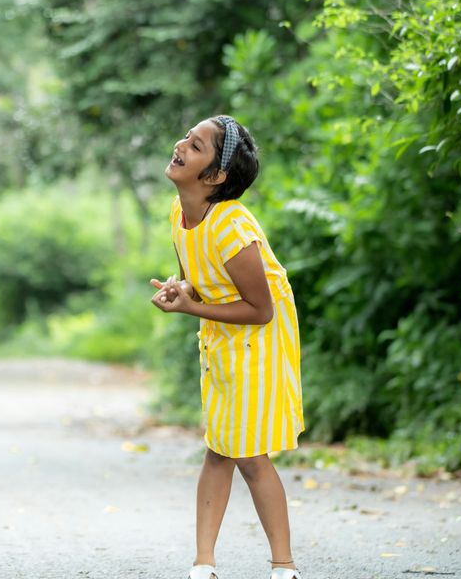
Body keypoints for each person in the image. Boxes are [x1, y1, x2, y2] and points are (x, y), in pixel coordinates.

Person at [149, 115, 304, 579]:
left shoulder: (232, 226)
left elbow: (261, 309)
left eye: (195, 147)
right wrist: (183, 290)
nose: (180, 145)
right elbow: (204, 281)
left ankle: (285, 565)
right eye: (186, 138)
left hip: (259, 343)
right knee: (219, 448)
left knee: (250, 454)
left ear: (215, 177)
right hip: (222, 338)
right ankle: (204, 562)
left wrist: (190, 310)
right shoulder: (181, 214)